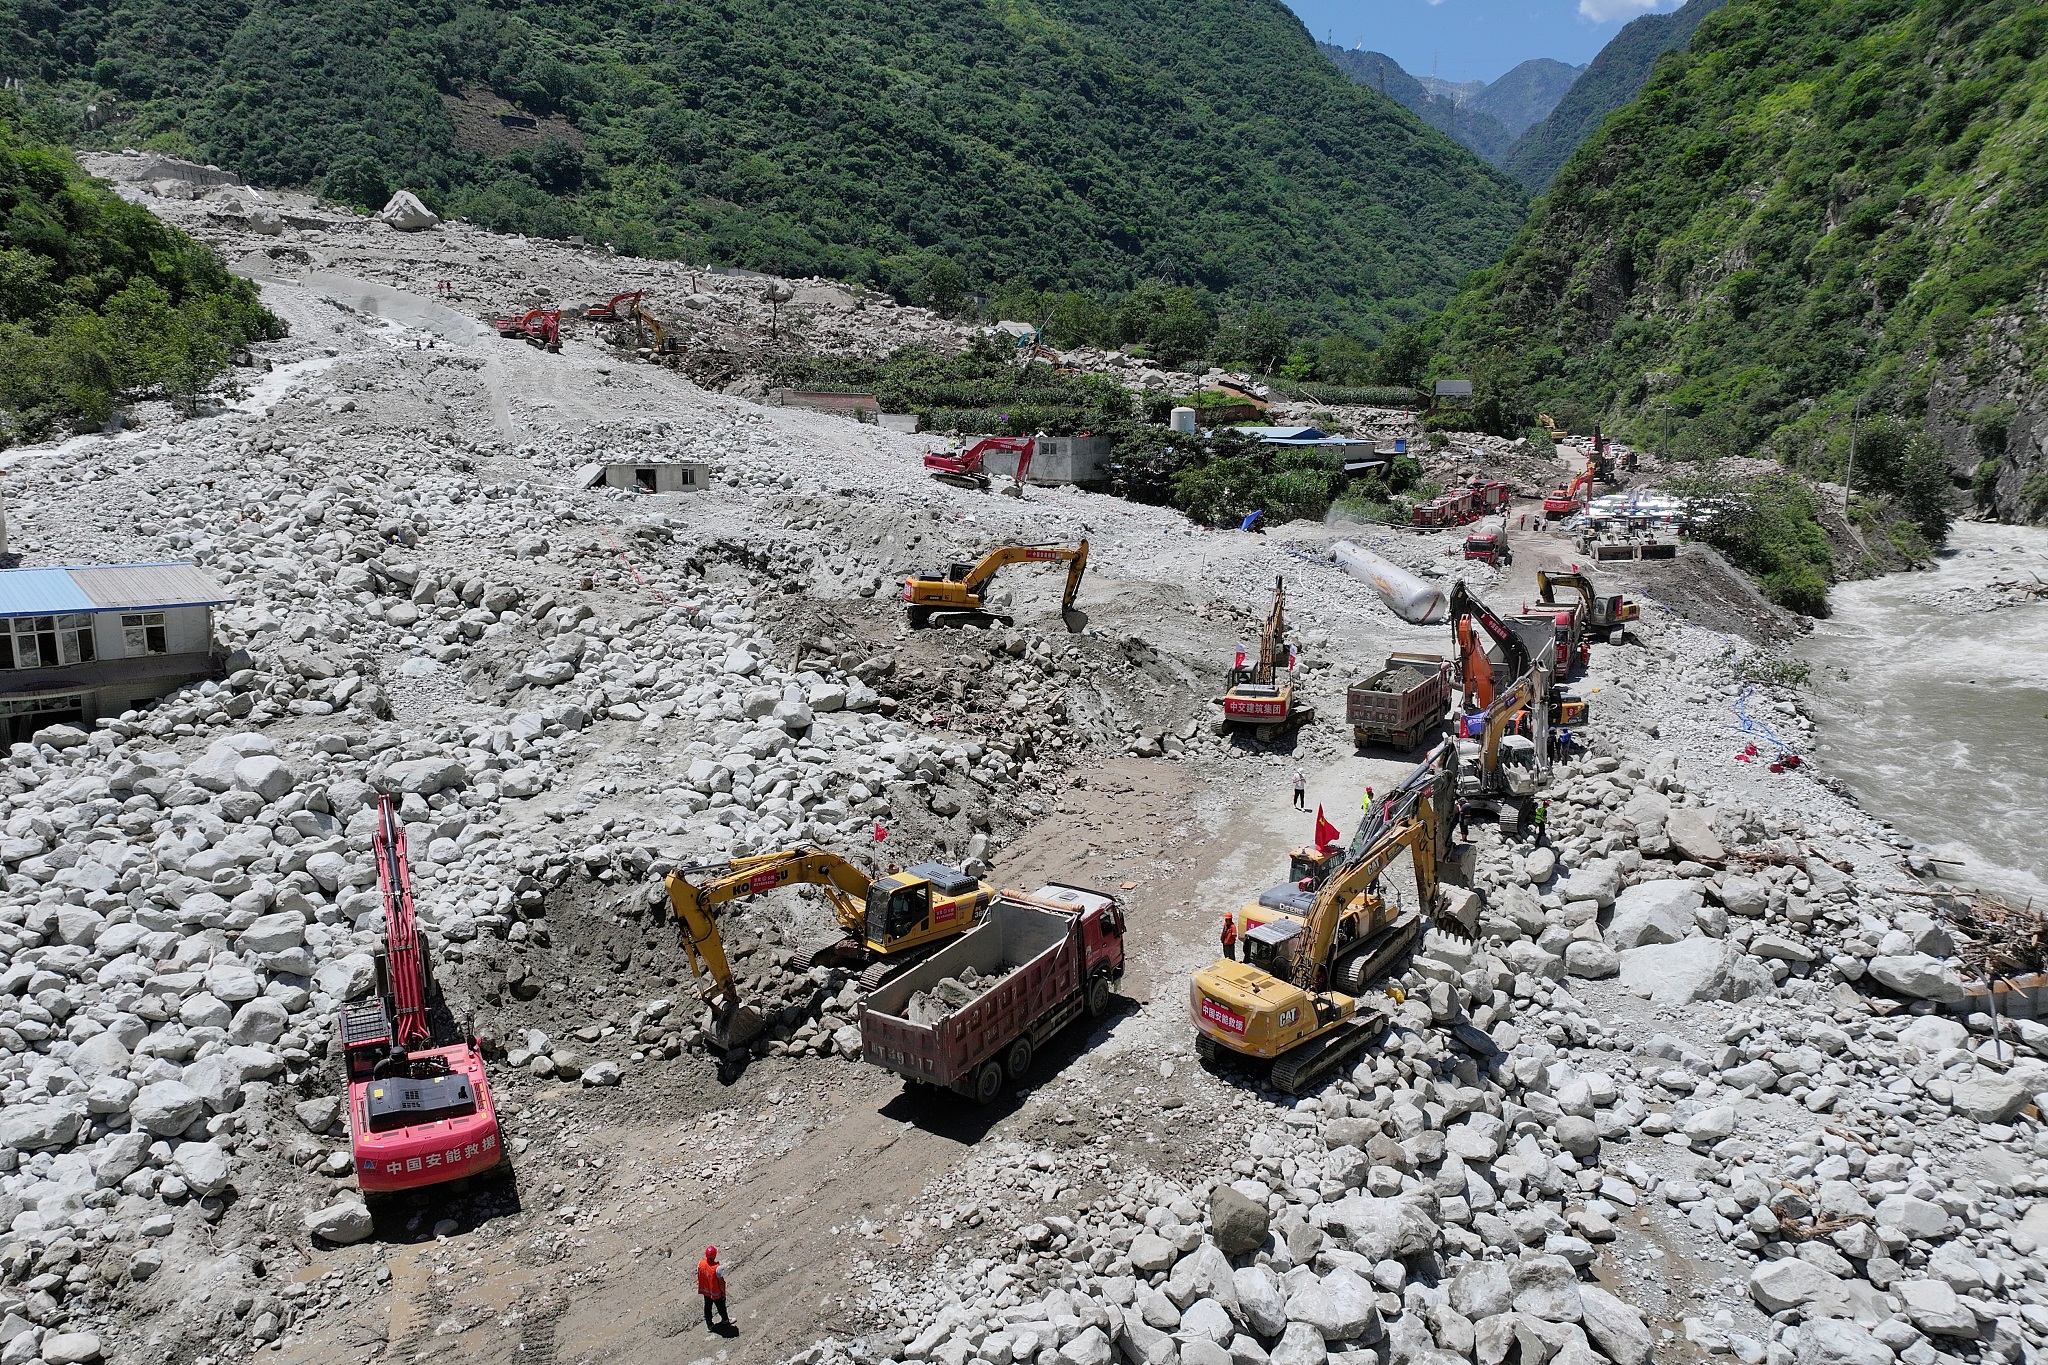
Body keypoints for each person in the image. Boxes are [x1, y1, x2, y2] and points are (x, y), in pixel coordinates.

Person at [698, 1246, 730, 1330]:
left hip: (706, 1291)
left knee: (707, 1307)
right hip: (715, 1292)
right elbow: (721, 1282)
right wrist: (723, 1292)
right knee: (721, 1307)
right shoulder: (717, 1268)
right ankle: (725, 1320)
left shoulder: (701, 1263)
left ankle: (709, 1324)